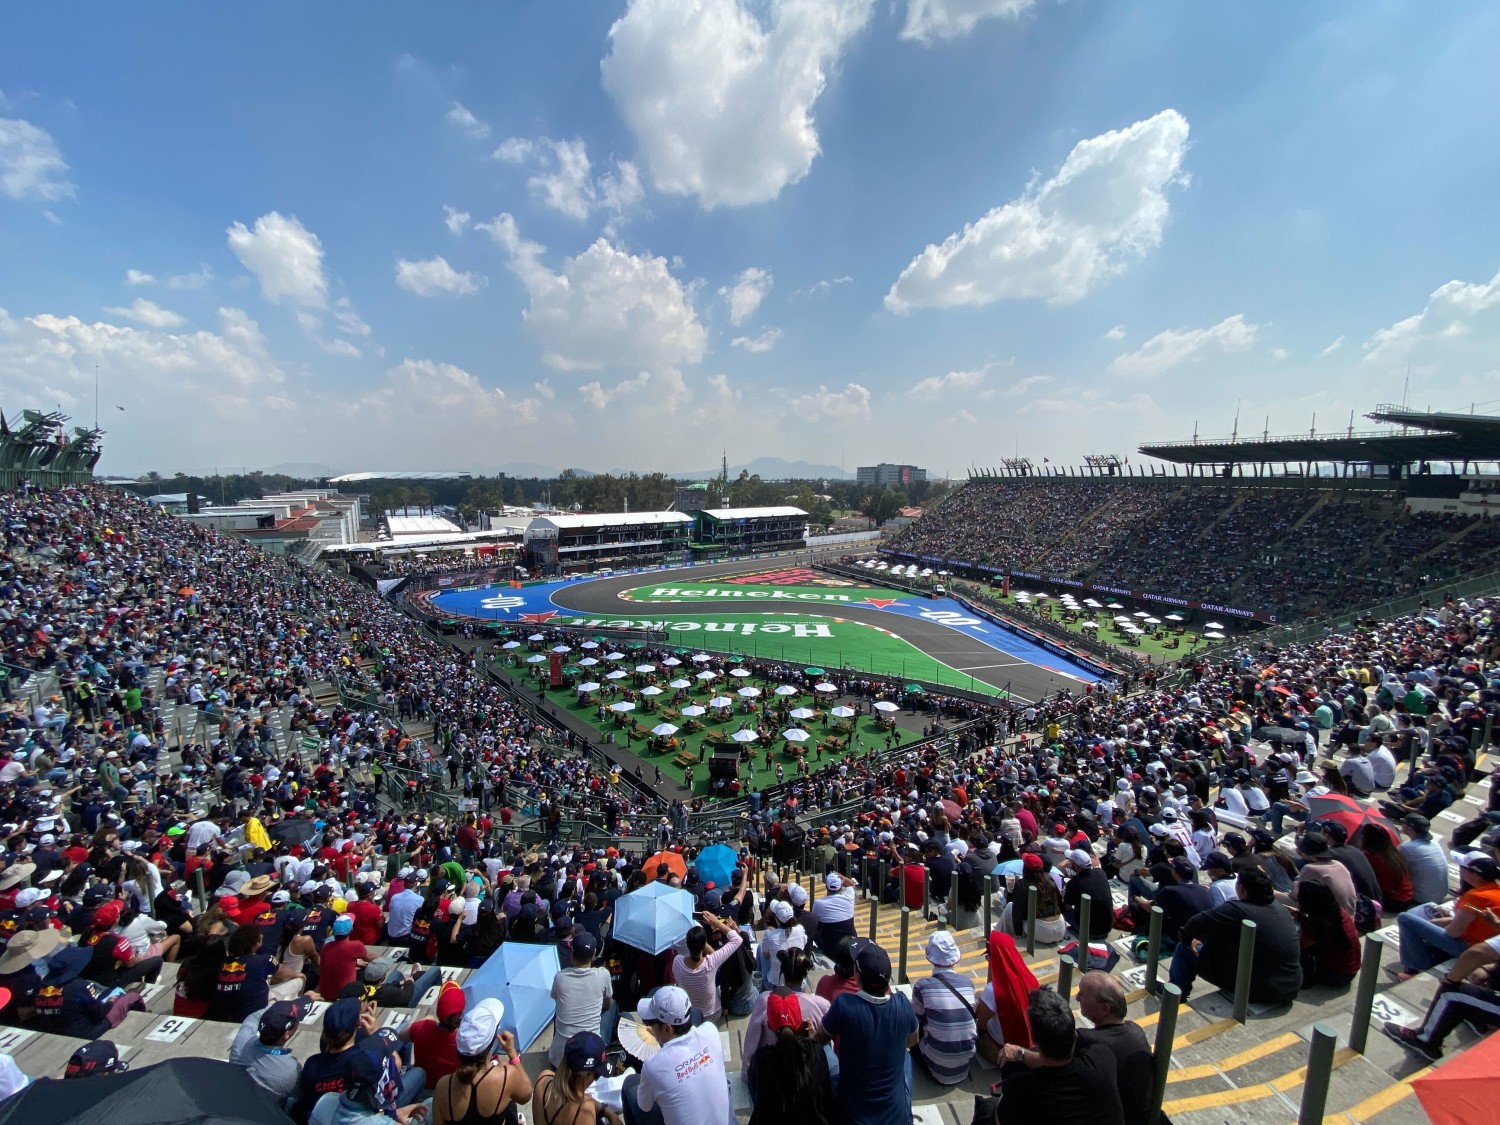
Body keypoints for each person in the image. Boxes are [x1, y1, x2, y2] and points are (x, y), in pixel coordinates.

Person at [818, 943, 918, 1125]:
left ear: (857, 975)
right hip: (897, 1117)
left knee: (824, 1049)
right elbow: (912, 1040)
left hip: (850, 1116)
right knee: (905, 1056)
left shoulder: (844, 1005)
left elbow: (821, 1037)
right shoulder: (902, 1004)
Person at [1170, 867, 1301, 1005]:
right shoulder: (1280, 907)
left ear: (1242, 889)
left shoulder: (1235, 909)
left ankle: (1176, 995)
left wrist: (1190, 942)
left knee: (1183, 949)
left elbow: (1189, 928)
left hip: (1259, 991)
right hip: (1291, 987)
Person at [996, 989, 1125, 1125]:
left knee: (987, 1110)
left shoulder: (1020, 1087)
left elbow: (1000, 1119)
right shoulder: (1103, 1057)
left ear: (1034, 1041)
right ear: (1075, 1036)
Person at [623, 985, 733, 1125]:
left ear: (667, 1029)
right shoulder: (710, 1031)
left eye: (650, 1023)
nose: (649, 1028)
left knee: (630, 1084)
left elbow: (644, 1106)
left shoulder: (652, 1066)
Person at [1394, 852, 1500, 978]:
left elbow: (1453, 933)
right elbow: (1476, 916)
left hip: (1469, 947)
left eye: (1464, 868)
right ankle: (1413, 967)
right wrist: (1437, 923)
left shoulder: (1476, 896)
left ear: (1475, 875)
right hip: (1489, 948)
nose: (1461, 871)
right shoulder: (1494, 892)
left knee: (1405, 919)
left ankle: (1414, 968)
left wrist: (1434, 928)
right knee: (1424, 931)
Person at [433, 998, 533, 1125]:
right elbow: (526, 1094)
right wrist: (512, 1054)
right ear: (491, 1042)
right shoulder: (506, 1076)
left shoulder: (443, 1087)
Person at [744, 990, 834, 1125]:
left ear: (769, 1024)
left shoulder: (761, 1059)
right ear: (799, 1021)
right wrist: (813, 1042)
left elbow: (754, 1085)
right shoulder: (816, 1052)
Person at [1076, 972, 1153, 1125]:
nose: (1077, 997)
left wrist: (1021, 1054)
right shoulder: (1136, 1030)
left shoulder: (1086, 1040)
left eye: (1083, 994)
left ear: (1105, 1009)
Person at [742, 948, 828, 1082]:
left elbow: (751, 1044)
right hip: (808, 1076)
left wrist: (746, 1075)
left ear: (782, 972)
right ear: (805, 974)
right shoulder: (822, 1005)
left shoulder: (766, 1000)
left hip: (772, 1075)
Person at [909, 931, 977, 1085]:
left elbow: (915, 1023)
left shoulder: (922, 986)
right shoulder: (968, 983)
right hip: (964, 1066)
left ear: (930, 957)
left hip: (936, 1068)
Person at [548, 931, 618, 1066]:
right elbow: (607, 1005)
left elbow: (556, 1000)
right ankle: (607, 1049)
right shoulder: (603, 974)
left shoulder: (560, 977)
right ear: (593, 955)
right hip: (589, 1057)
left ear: (572, 956)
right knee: (613, 1005)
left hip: (559, 1060)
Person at [230, 996, 313, 1101]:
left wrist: (290, 1006)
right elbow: (303, 1094)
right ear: (286, 1034)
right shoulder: (291, 1071)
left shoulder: (241, 1043)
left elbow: (252, 1018)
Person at [534, 1031, 623, 1125]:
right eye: (597, 1075)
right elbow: (581, 1102)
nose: (594, 1080)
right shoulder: (585, 1112)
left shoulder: (543, 1078)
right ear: (585, 1077)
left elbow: (575, 1096)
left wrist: (607, 1112)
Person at [975, 930, 1037, 1063]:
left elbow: (981, 1022)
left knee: (977, 998)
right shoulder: (1030, 980)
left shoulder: (993, 990)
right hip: (1028, 1047)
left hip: (1001, 1050)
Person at [671, 911, 742, 1023]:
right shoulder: (711, 962)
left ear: (687, 943)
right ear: (704, 944)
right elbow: (737, 939)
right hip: (712, 1014)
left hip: (690, 1013)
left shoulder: (677, 961)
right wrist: (717, 923)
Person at [400, 981, 466, 1092]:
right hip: (448, 1092)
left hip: (421, 1087)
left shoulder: (422, 1027)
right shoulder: (463, 1040)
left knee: (404, 1025)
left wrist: (426, 1019)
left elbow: (401, 1035)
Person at [1295, 880, 1361, 989]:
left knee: (1296, 951)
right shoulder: (1337, 912)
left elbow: (1299, 945)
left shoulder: (1319, 924)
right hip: (1350, 970)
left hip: (1336, 976)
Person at [1356, 824, 1413, 912]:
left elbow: (1382, 886)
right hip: (1406, 897)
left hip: (1395, 901)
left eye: (1362, 835)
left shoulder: (1371, 856)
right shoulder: (1391, 851)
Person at [1398, 814, 1450, 907]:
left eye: (1403, 823)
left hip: (1423, 898)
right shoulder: (1434, 843)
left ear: (1410, 828)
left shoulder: (1406, 848)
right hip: (1440, 894)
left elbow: (1394, 867)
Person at [1062, 849, 1113, 940]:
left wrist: (1064, 896)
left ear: (1076, 866)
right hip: (1107, 927)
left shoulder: (1074, 883)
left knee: (1063, 909)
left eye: (1071, 862)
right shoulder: (1100, 872)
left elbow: (1067, 907)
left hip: (1089, 931)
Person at [809, 872, 857, 956]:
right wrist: (843, 877)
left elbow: (814, 923)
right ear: (841, 886)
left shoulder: (818, 903)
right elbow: (852, 885)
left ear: (826, 887)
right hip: (852, 944)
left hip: (831, 947)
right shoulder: (849, 896)